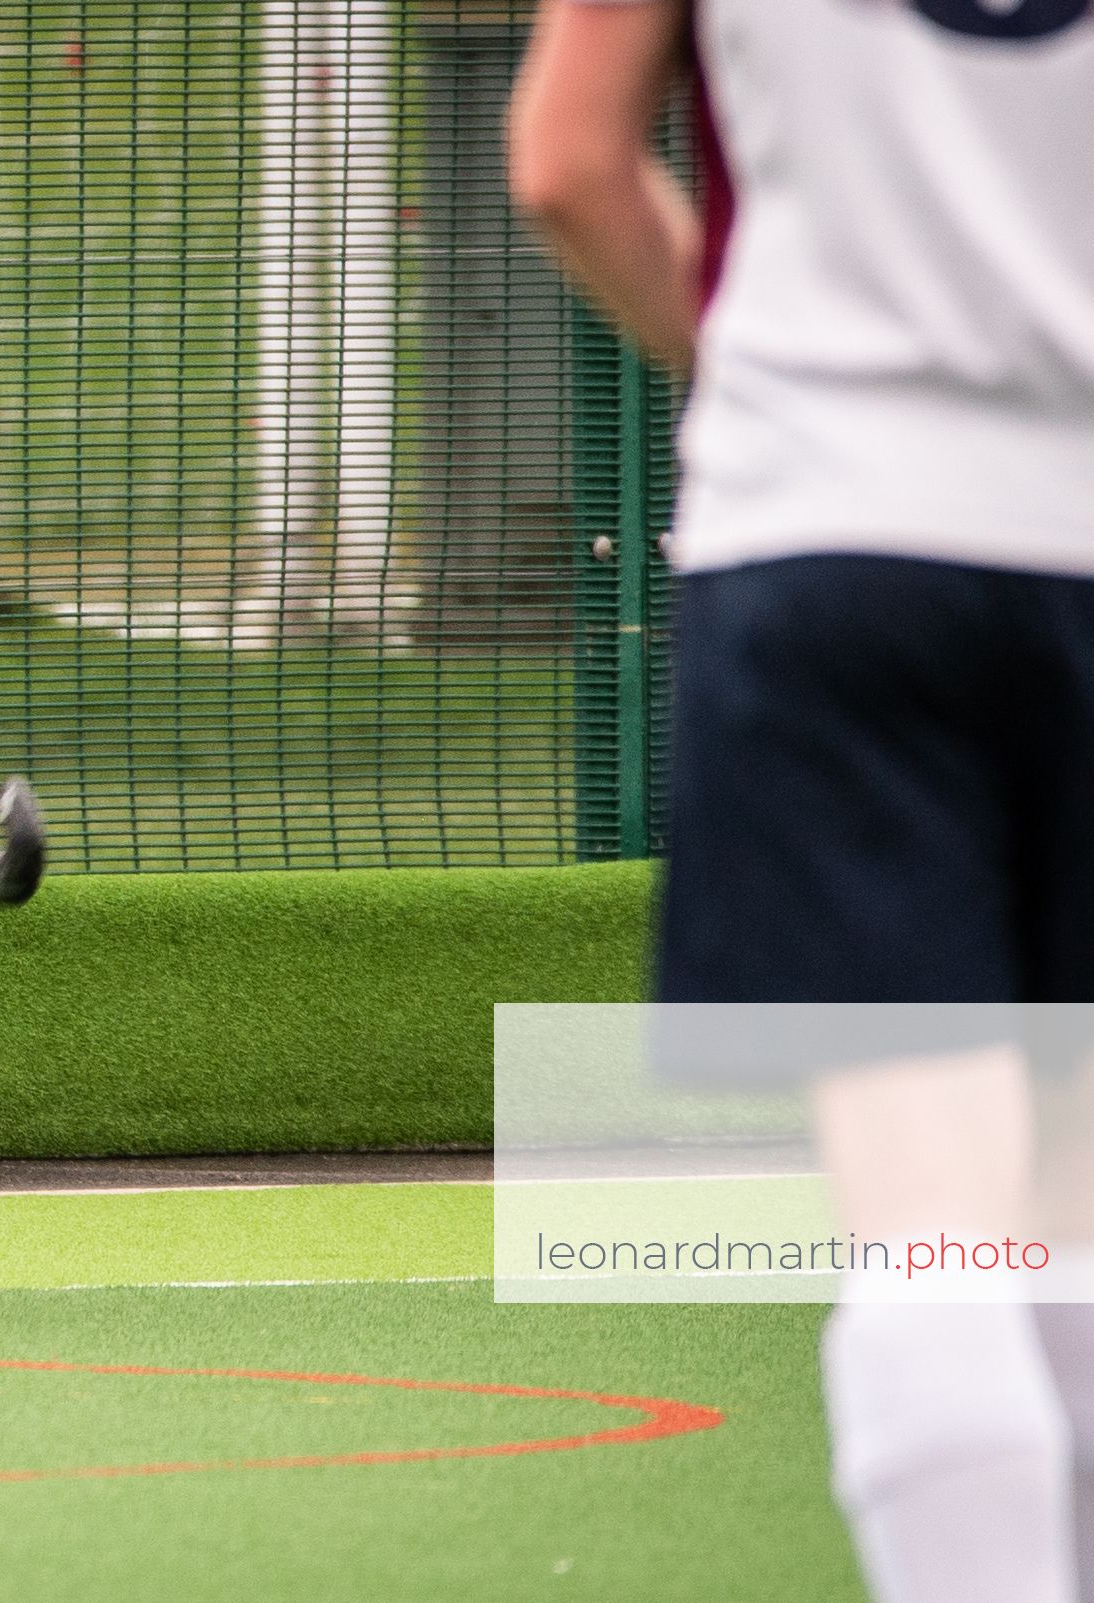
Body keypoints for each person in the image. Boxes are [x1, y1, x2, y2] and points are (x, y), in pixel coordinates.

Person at [511, 3, 1094, 1599]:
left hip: (832, 535)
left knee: (935, 1231)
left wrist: (769, 382)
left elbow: (568, 161)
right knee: (1072, 1215)